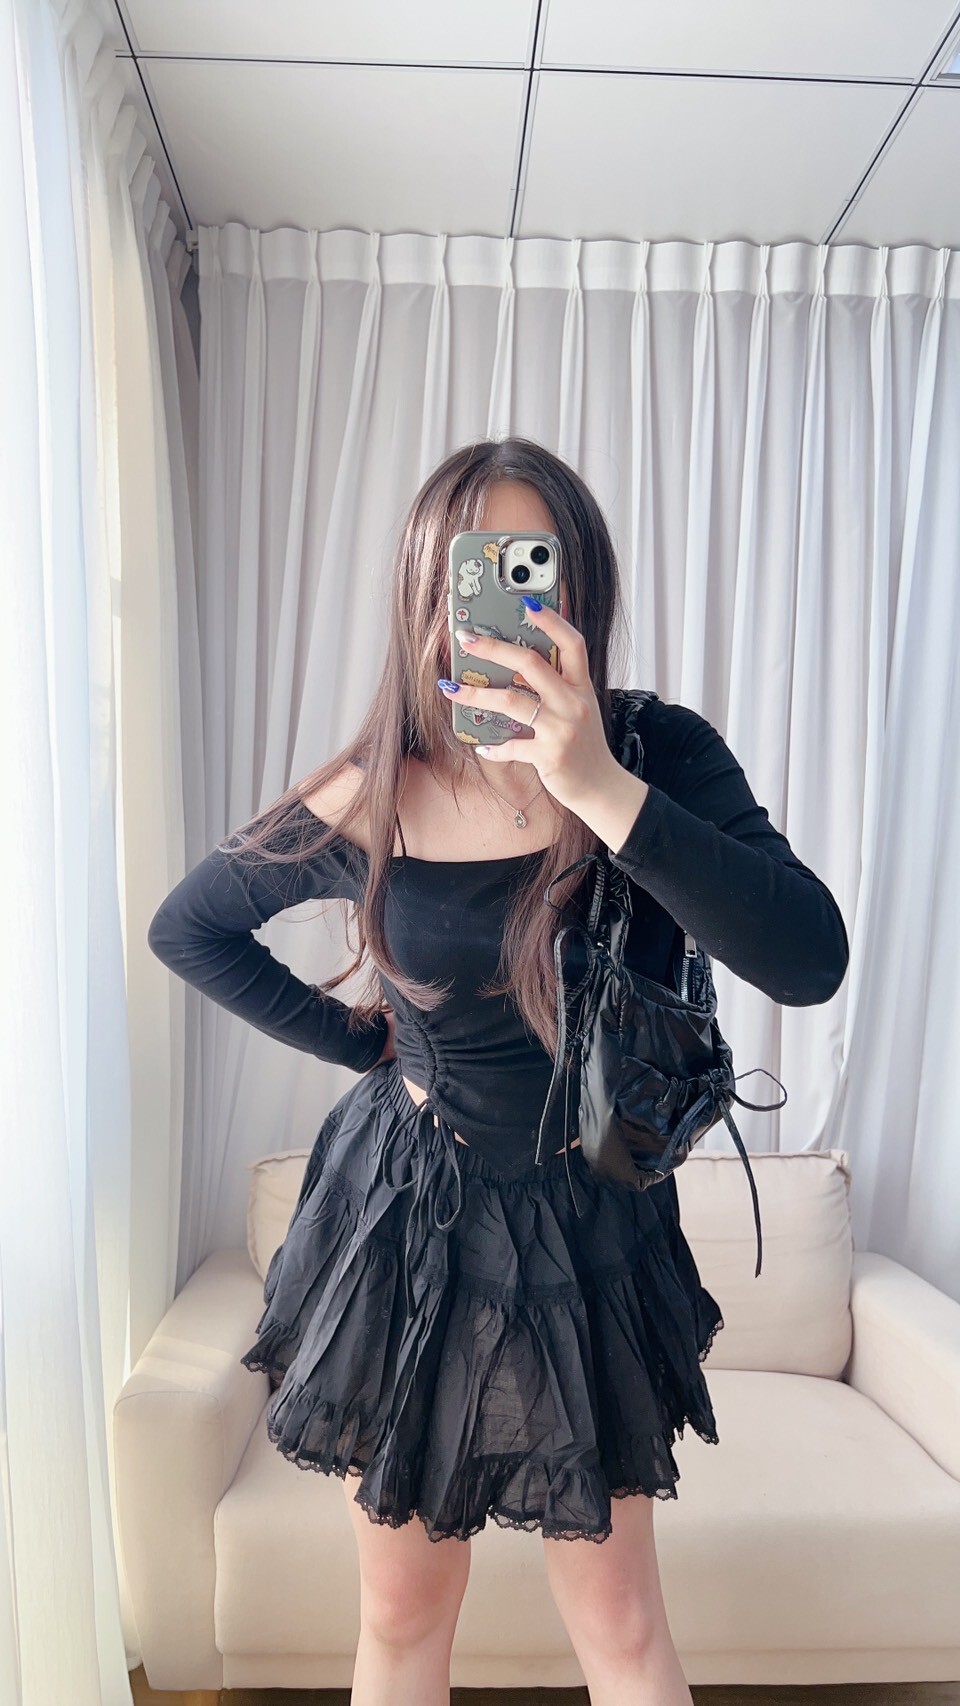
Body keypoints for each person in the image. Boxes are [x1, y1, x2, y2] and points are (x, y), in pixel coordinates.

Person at [147, 438, 849, 1706]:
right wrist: (361, 1041)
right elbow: (191, 927)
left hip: (590, 1209)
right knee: (404, 1611)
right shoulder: (379, 784)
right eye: (475, 570)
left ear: (579, 591)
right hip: (409, 1217)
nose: (507, 606)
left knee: (619, 1617)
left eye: (537, 570)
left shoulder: (655, 752)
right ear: (427, 590)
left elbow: (809, 957)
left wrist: (601, 787)